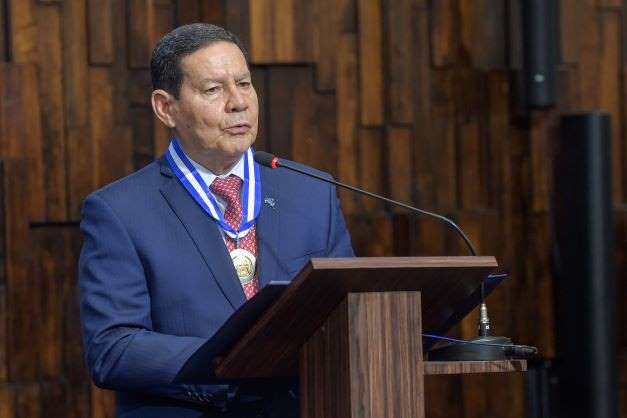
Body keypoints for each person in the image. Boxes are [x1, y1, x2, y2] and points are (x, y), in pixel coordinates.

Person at [78, 23, 354, 418]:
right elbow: (112, 349)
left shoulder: (311, 192)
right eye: (213, 90)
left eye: (244, 83)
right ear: (166, 107)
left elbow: (347, 315)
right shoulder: (120, 211)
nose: (238, 102)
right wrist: (230, 355)